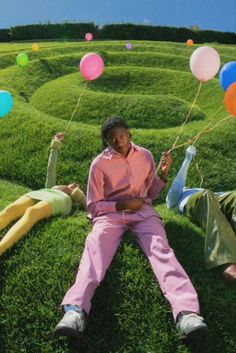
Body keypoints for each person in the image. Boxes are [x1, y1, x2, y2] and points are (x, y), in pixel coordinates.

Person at [55, 117, 208, 342]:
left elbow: (150, 192)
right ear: (106, 141)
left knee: (161, 250)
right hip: (110, 216)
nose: (118, 142)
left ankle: (187, 314)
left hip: (144, 214)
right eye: (111, 139)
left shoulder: (145, 156)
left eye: (122, 136)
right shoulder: (99, 164)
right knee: (95, 249)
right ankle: (75, 311)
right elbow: (94, 205)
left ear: (130, 133)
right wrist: (122, 205)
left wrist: (163, 174)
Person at [0, 132, 86, 256]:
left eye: (77, 186)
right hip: (43, 193)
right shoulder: (52, 186)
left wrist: (75, 194)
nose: (74, 185)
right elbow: (51, 169)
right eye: (73, 184)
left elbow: (87, 206)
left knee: (32, 212)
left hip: (59, 200)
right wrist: (56, 144)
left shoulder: (71, 200)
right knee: (11, 209)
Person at [166, 145, 236, 280]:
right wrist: (188, 159)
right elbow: (178, 183)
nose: (186, 186)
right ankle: (225, 261)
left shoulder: (199, 189)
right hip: (200, 202)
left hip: (216, 198)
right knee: (206, 196)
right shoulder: (175, 198)